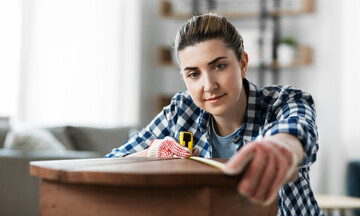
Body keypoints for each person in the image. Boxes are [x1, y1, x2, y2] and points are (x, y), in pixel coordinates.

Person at [105, 13, 323, 215]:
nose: (208, 86)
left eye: (219, 66)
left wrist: (282, 146)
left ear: (243, 64)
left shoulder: (283, 101)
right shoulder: (181, 110)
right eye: (194, 74)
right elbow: (109, 164)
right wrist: (149, 156)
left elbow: (297, 130)